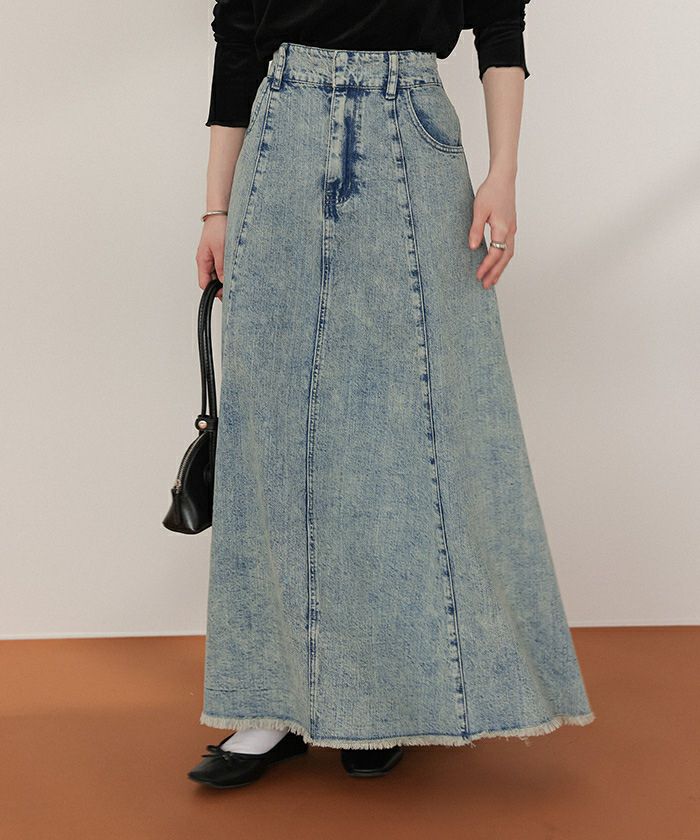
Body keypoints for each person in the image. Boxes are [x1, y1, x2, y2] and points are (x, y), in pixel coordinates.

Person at [188, 0, 595, 790]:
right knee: (272, 426)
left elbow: (499, 26)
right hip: (282, 128)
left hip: (411, 128)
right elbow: (237, 40)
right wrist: (215, 208)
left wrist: (503, 173)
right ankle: (269, 704)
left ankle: (377, 699)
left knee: (404, 428)